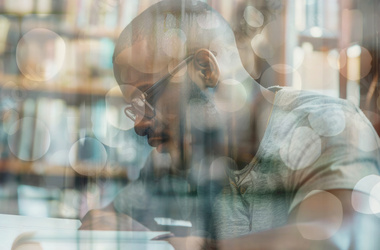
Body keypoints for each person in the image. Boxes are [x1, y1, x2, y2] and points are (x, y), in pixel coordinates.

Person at [80, 0, 380, 249]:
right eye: (133, 108)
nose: (140, 124)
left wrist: (200, 247)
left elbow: (342, 236)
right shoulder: (173, 161)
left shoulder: (324, 124)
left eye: (148, 96)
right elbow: (106, 222)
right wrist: (114, 227)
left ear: (205, 69)